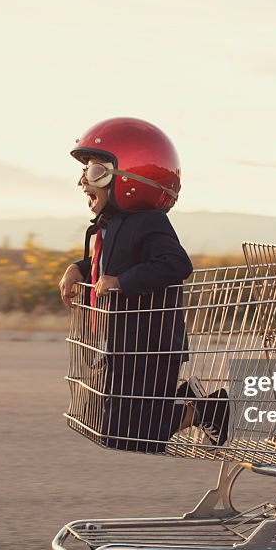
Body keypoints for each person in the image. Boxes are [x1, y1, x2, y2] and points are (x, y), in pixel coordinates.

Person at [57, 117, 229, 453]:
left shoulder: (150, 222)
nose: (82, 182)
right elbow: (107, 266)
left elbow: (176, 264)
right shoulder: (111, 225)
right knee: (110, 426)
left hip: (151, 342)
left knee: (133, 434)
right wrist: (77, 270)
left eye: (94, 172)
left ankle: (202, 409)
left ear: (130, 178)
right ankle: (189, 403)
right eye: (84, 173)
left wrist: (122, 282)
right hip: (122, 342)